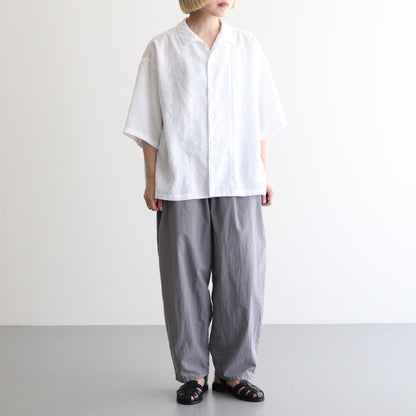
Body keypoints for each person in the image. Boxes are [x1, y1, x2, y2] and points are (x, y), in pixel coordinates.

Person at [123, 0, 288, 405]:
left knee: (243, 279)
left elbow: (261, 118)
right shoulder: (162, 49)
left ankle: (233, 373)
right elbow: (148, 122)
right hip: (181, 180)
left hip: (240, 179)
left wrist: (265, 172)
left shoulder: (248, 47)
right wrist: (151, 180)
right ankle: (193, 373)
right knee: (183, 282)